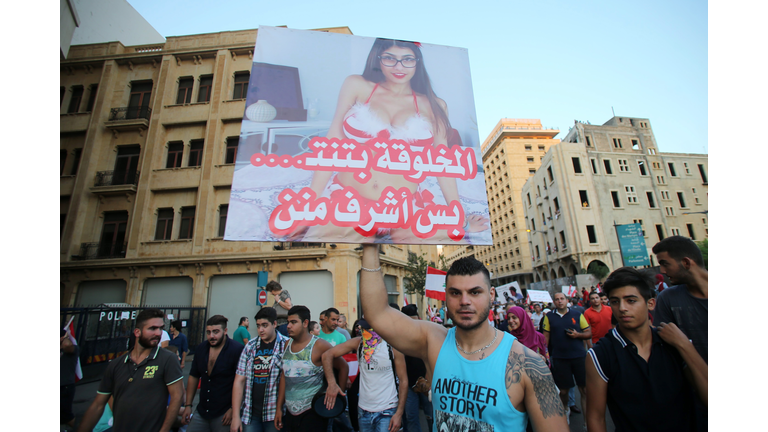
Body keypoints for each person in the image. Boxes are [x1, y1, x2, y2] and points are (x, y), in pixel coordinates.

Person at [292, 38, 489, 244]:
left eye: (407, 59)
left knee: (426, 247)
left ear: (417, 61)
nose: (399, 67)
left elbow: (443, 166)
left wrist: (458, 219)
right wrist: (309, 207)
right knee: (319, 243)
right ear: (378, 59)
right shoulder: (357, 85)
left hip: (403, 207)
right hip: (350, 201)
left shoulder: (434, 105)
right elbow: (332, 145)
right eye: (390, 59)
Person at [359, 245, 569, 431]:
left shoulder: (529, 365)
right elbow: (377, 314)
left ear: (492, 294)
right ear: (446, 295)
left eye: (475, 292)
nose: (464, 301)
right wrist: (370, 245)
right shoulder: (434, 341)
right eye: (455, 293)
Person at [585, 267, 708, 432]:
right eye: (615, 301)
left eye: (631, 300)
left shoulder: (674, 342)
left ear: (650, 303)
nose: (622, 308)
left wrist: (685, 346)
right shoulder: (600, 354)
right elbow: (596, 417)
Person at [77, 309, 184, 432]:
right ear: (137, 332)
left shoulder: (167, 359)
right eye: (152, 328)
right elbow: (97, 405)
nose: (158, 333)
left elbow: (177, 396)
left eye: (161, 328)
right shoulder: (116, 365)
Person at [652, 235, 708, 431]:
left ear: (686, 262)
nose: (662, 271)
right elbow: (669, 354)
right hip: (695, 406)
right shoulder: (668, 299)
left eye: (665, 264)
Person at [322, 318, 408, 432]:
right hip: (363, 411)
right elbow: (327, 355)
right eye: (362, 328)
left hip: (387, 410)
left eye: (369, 328)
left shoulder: (392, 347)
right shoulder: (359, 343)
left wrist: (399, 413)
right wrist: (332, 383)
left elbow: (403, 381)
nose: (364, 331)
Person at [275, 306, 346, 432]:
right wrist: (279, 408)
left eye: (293, 322)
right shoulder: (287, 345)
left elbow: (343, 366)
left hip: (313, 413)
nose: (288, 326)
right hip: (290, 413)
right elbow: (284, 377)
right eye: (288, 322)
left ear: (305, 323)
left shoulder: (319, 345)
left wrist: (337, 395)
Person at [231, 308, 290, 432]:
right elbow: (239, 381)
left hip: (274, 414)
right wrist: (236, 416)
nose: (261, 330)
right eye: (258, 326)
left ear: (274, 324)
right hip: (250, 415)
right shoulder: (250, 347)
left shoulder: (286, 345)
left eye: (264, 325)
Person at [184, 315, 245, 432]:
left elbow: (242, 382)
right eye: (208, 332)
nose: (211, 336)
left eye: (215, 332)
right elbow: (194, 376)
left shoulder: (236, 350)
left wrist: (234, 409)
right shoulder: (201, 348)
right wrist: (188, 405)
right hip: (202, 411)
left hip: (224, 413)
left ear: (225, 331)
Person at [541, 292, 592, 422]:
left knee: (584, 390)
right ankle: (565, 409)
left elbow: (588, 333)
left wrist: (577, 335)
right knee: (563, 391)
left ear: (567, 300)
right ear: (554, 302)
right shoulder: (549, 317)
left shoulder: (577, 315)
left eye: (562, 299)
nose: (560, 301)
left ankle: (587, 423)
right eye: (557, 299)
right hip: (559, 358)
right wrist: (544, 355)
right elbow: (545, 337)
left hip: (579, 356)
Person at [399, 304, 433, 432]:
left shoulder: (426, 334)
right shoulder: (399, 337)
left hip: (426, 383)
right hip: (408, 384)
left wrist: (428, 378)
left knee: (431, 416)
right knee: (411, 417)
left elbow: (432, 357)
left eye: (415, 320)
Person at [61, 328, 80, 430]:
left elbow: (67, 345)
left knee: (66, 417)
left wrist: (66, 337)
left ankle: (83, 429)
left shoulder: (73, 349)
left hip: (65, 387)